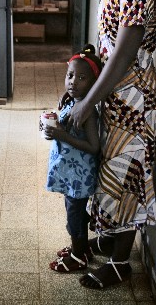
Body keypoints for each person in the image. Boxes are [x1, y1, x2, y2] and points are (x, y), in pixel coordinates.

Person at [66, 0, 156, 289]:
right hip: (112, 95)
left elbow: (123, 57)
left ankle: (122, 263)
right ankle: (109, 241)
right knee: (110, 173)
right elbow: (106, 46)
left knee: (127, 179)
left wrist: (88, 103)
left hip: (134, 101)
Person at [44, 45, 103, 273]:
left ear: (93, 83)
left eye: (81, 78)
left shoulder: (88, 112)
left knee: (75, 217)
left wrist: (61, 135)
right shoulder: (72, 100)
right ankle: (81, 248)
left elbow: (93, 146)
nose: (73, 82)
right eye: (70, 76)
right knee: (73, 213)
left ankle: (79, 256)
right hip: (70, 174)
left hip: (78, 178)